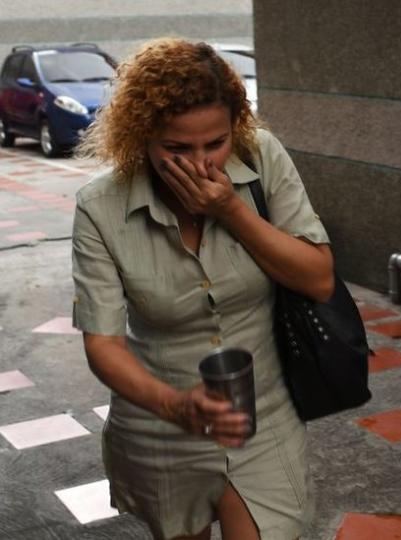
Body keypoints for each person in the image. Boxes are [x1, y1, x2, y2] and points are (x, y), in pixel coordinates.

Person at [72, 38, 333, 540]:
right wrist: (173, 404)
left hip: (261, 417)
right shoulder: (100, 207)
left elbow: (318, 277)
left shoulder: (262, 159)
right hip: (162, 421)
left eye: (215, 144)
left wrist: (231, 211)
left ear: (235, 127)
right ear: (142, 136)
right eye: (177, 149)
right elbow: (103, 343)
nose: (200, 164)